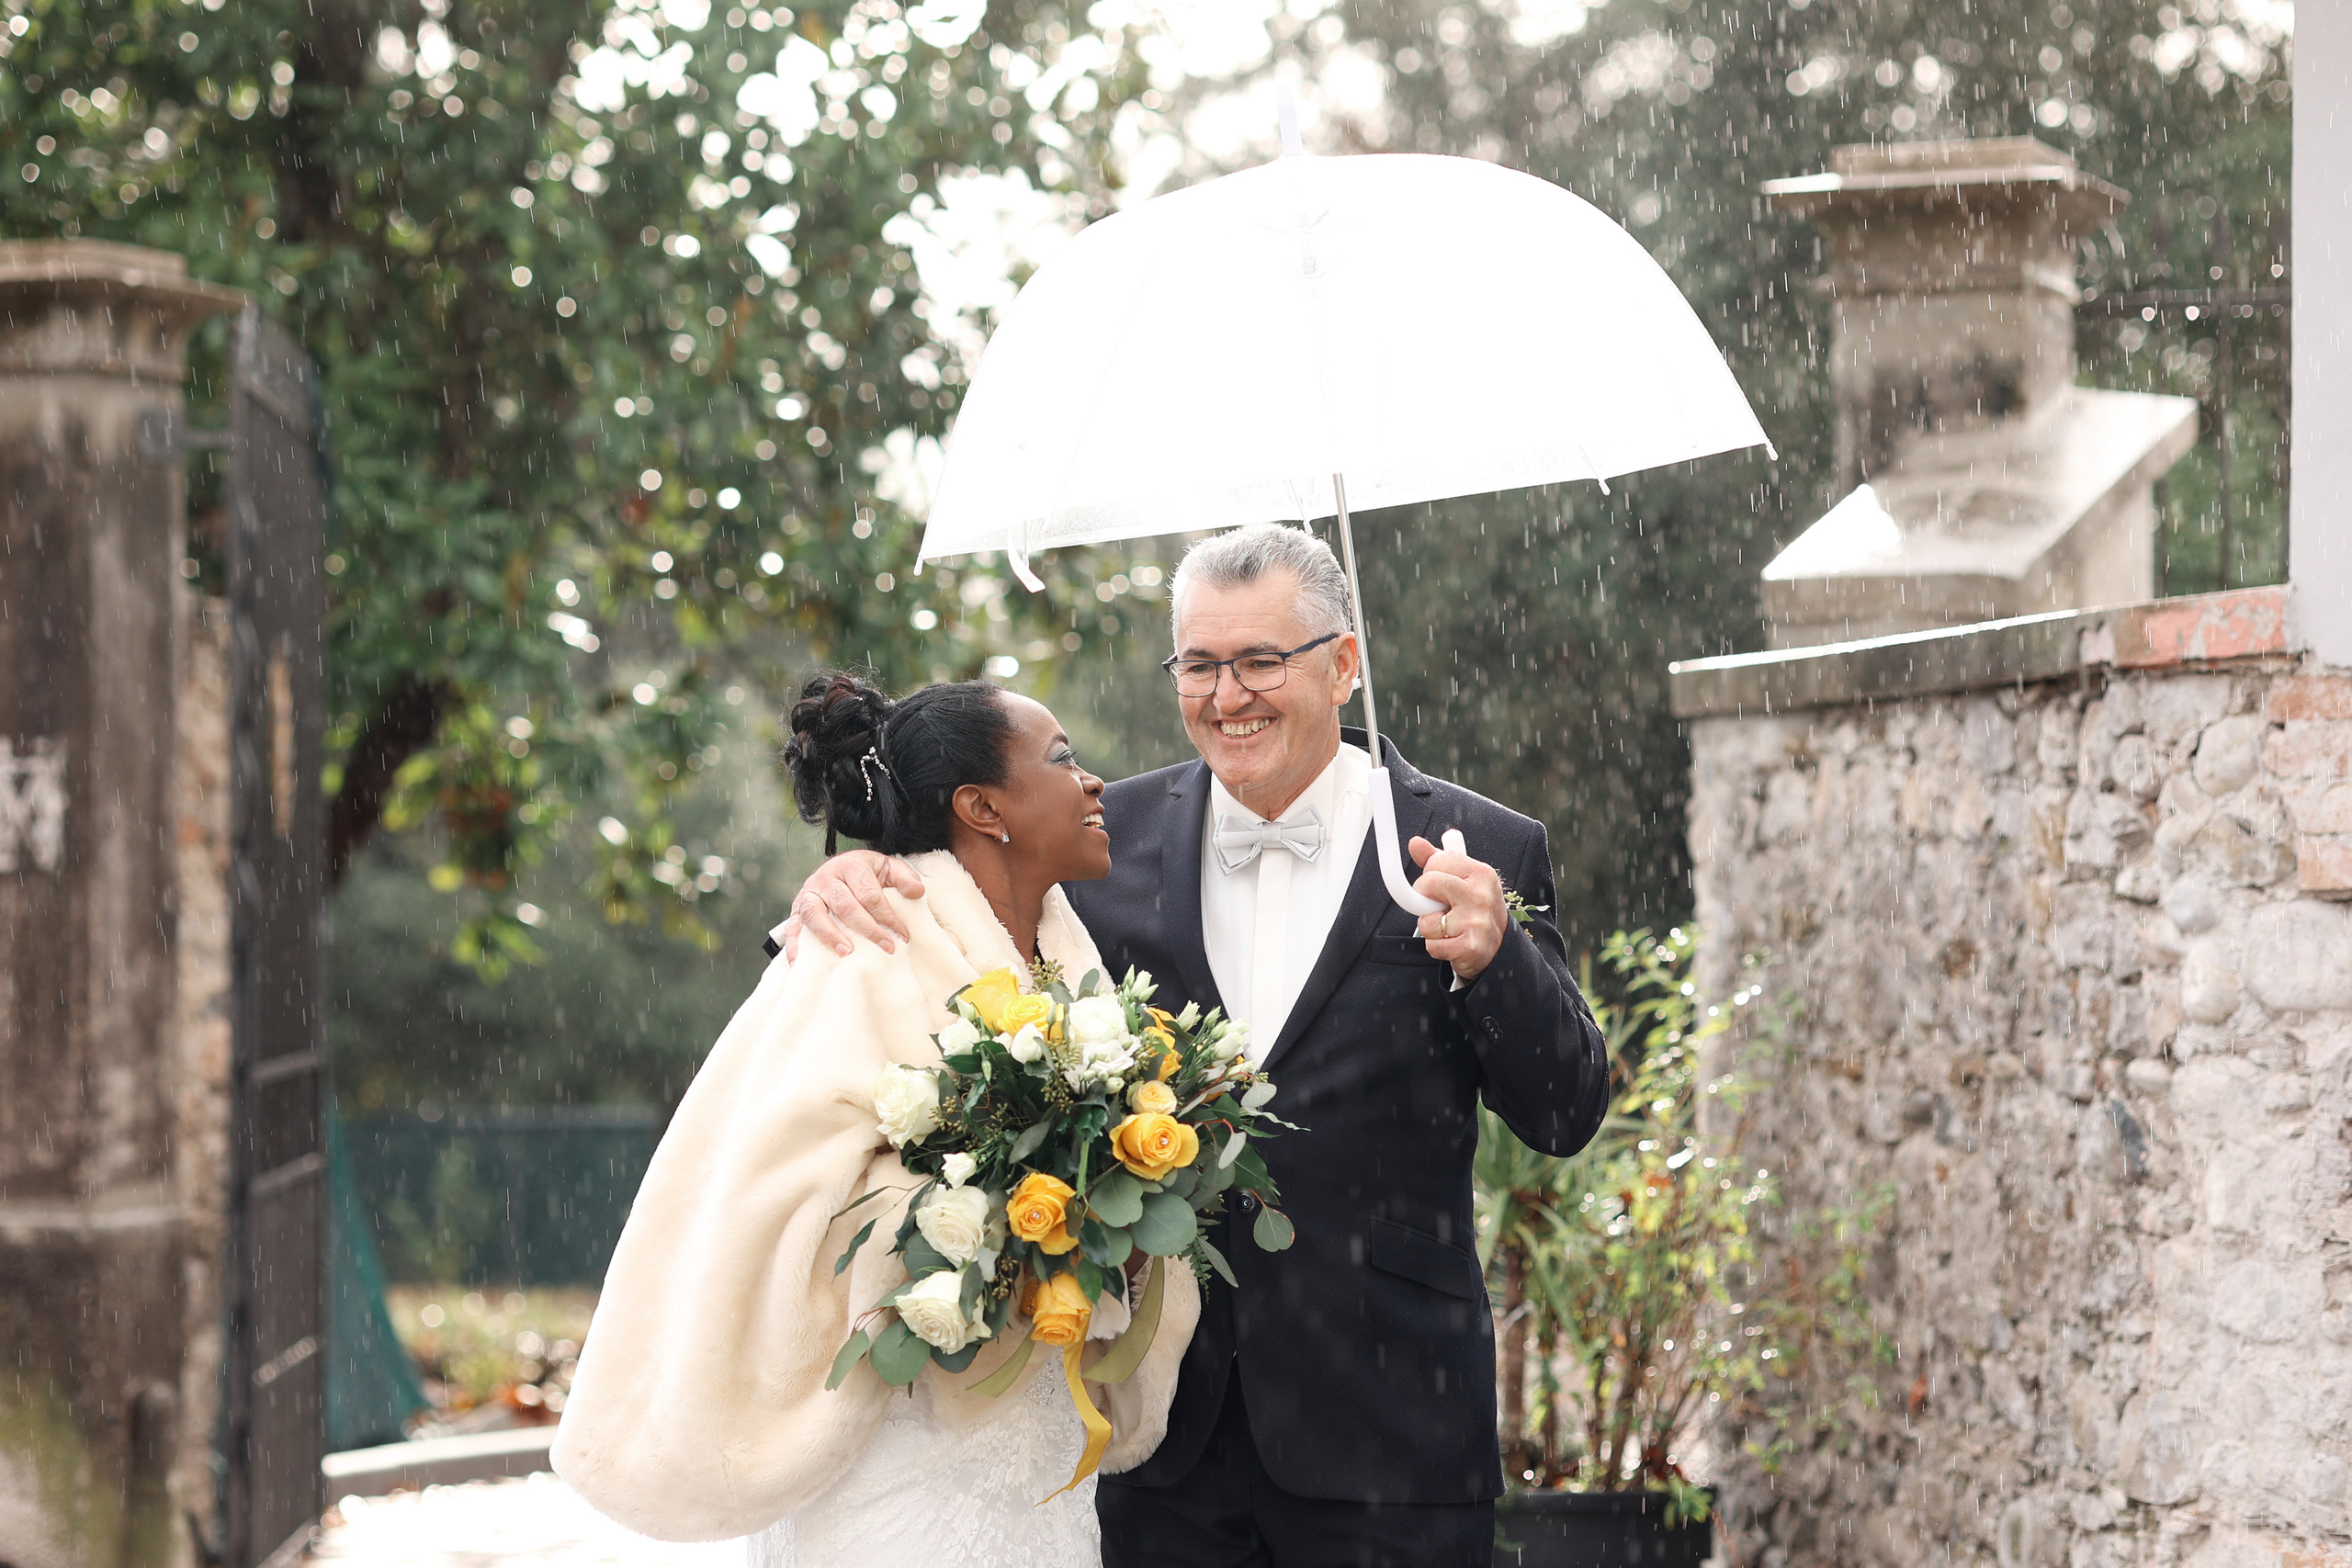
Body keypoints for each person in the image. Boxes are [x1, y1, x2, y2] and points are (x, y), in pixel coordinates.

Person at [780, 523, 1611, 1568]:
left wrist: (1500, 962)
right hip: (1156, 1429)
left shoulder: (1478, 847)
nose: (1228, 696)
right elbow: (942, 895)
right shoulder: (1096, 840)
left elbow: (1565, 1111)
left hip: (1393, 1429)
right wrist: (844, 876)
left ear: (1343, 664)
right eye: (1200, 665)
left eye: (1262, 659)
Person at [551, 674, 1200, 1568]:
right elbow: (770, 1190)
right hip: (894, 1456)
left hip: (1039, 1446)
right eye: (1062, 759)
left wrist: (1120, 1203)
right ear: (982, 806)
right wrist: (982, 1214)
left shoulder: (1066, 948)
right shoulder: (864, 941)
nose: (1095, 782)